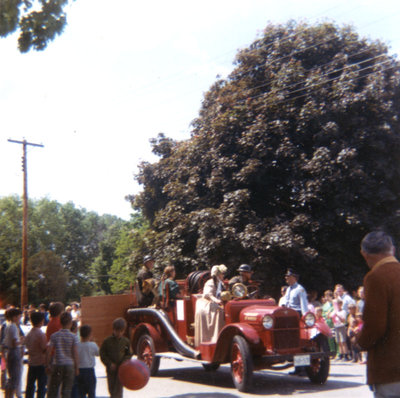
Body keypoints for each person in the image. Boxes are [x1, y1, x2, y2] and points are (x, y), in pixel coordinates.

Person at [357, 231, 400, 397]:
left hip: (390, 368)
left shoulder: (376, 277)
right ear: (393, 250)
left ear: (364, 254)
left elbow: (376, 326)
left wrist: (360, 341)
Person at [46, 311, 79, 398]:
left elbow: (48, 351)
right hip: (69, 365)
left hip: (57, 364)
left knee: (53, 390)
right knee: (66, 391)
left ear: (60, 322)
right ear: (71, 323)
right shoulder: (74, 337)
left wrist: (47, 365)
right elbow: (75, 353)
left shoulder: (54, 336)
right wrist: (77, 367)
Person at [194, 264, 227, 346]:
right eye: (222, 273)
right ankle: (214, 338)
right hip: (207, 303)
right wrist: (217, 300)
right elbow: (208, 295)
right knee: (219, 310)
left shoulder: (221, 283)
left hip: (217, 302)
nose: (223, 275)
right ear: (218, 274)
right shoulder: (210, 282)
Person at [100, 317, 132, 398]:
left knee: (118, 389)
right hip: (111, 369)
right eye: (117, 331)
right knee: (111, 388)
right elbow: (102, 354)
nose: (119, 333)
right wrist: (109, 363)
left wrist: (124, 362)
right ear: (113, 329)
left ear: (124, 331)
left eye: (121, 331)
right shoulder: (107, 341)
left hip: (121, 369)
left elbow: (129, 354)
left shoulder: (126, 341)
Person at [24, 311, 47, 398]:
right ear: (41, 321)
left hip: (31, 361)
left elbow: (27, 345)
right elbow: (44, 348)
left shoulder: (29, 334)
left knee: (30, 385)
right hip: (40, 362)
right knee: (41, 386)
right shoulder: (41, 334)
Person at [3, 308, 23, 398]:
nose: (21, 317)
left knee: (11, 377)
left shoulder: (8, 325)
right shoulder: (14, 326)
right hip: (14, 352)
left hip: (9, 352)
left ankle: (7, 395)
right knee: (15, 377)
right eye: (19, 316)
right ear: (15, 317)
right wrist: (22, 341)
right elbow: (14, 342)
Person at [76, 325, 99, 398]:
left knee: (81, 392)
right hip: (89, 371)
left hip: (79, 370)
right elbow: (98, 353)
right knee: (91, 392)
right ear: (90, 334)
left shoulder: (77, 345)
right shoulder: (93, 345)